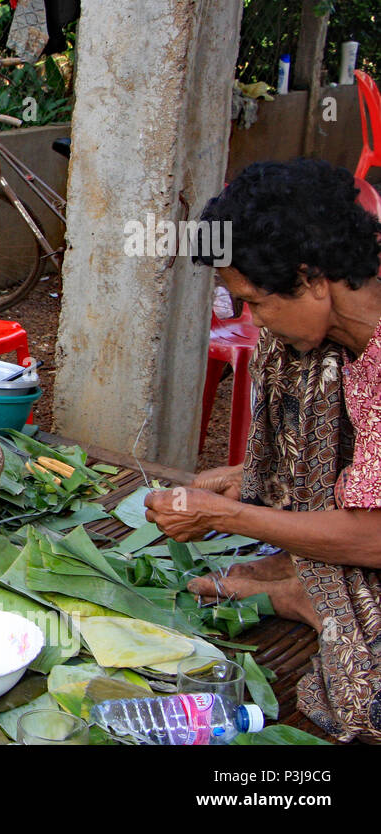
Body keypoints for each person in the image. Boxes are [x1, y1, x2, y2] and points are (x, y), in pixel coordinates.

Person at [143, 158, 381, 743]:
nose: (253, 319)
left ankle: (308, 594)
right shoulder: (333, 338)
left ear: (313, 278)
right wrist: (246, 477)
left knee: (364, 700)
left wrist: (230, 515)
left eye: (253, 299)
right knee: (288, 356)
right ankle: (305, 572)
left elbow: (376, 536)